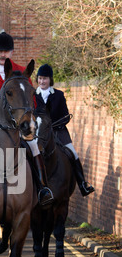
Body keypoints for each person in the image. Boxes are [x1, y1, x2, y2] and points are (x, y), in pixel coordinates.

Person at [0, 31, 54, 207]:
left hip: (17, 127)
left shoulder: (22, 71)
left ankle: (42, 189)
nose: (3, 54)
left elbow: (31, 100)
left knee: (34, 147)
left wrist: (26, 120)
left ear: (12, 52)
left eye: (6, 51)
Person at [35, 64, 95, 196]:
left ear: (50, 79)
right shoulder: (33, 96)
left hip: (58, 132)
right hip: (38, 133)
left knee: (73, 153)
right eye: (40, 78)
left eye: (44, 78)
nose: (42, 81)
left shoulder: (59, 95)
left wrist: (56, 125)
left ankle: (82, 184)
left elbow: (65, 115)